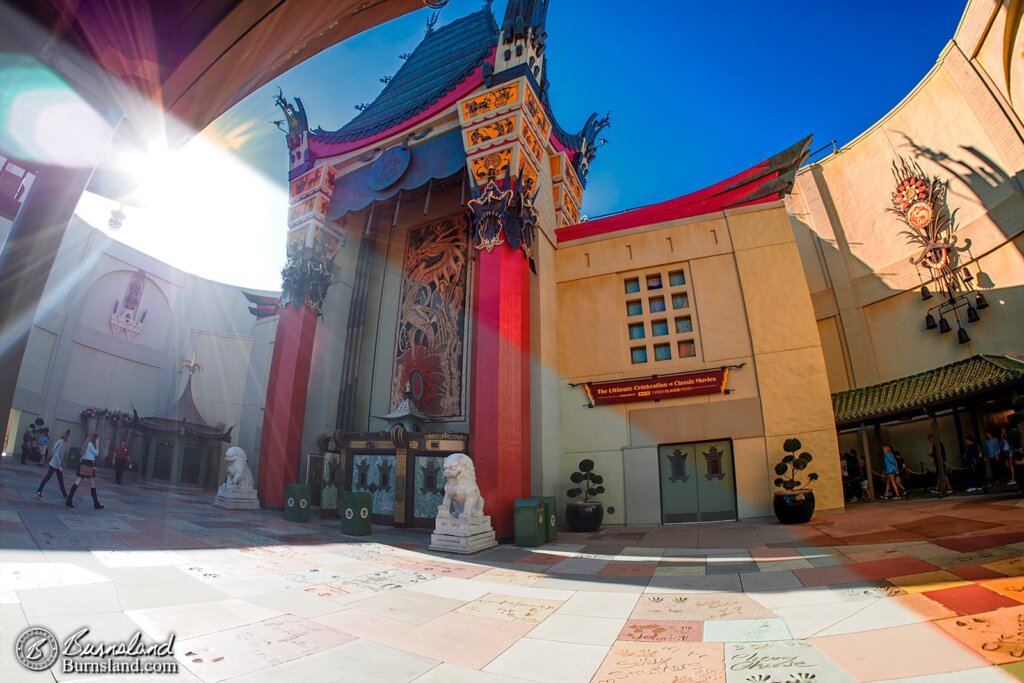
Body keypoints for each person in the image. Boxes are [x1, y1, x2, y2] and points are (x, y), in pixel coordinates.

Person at [65, 433, 104, 510]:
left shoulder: (87, 444)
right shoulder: (90, 444)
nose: (98, 439)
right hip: (88, 465)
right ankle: (96, 503)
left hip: (84, 464)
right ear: (94, 438)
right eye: (97, 438)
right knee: (92, 485)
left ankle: (69, 500)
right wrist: (97, 444)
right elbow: (96, 453)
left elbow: (82, 455)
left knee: (78, 482)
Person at [35, 430, 70, 500]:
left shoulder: (58, 441)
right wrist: (60, 465)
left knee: (49, 478)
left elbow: (53, 451)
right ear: (67, 437)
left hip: (53, 463)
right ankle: (65, 496)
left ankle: (38, 492)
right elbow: (57, 454)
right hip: (56, 464)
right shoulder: (62, 444)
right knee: (59, 480)